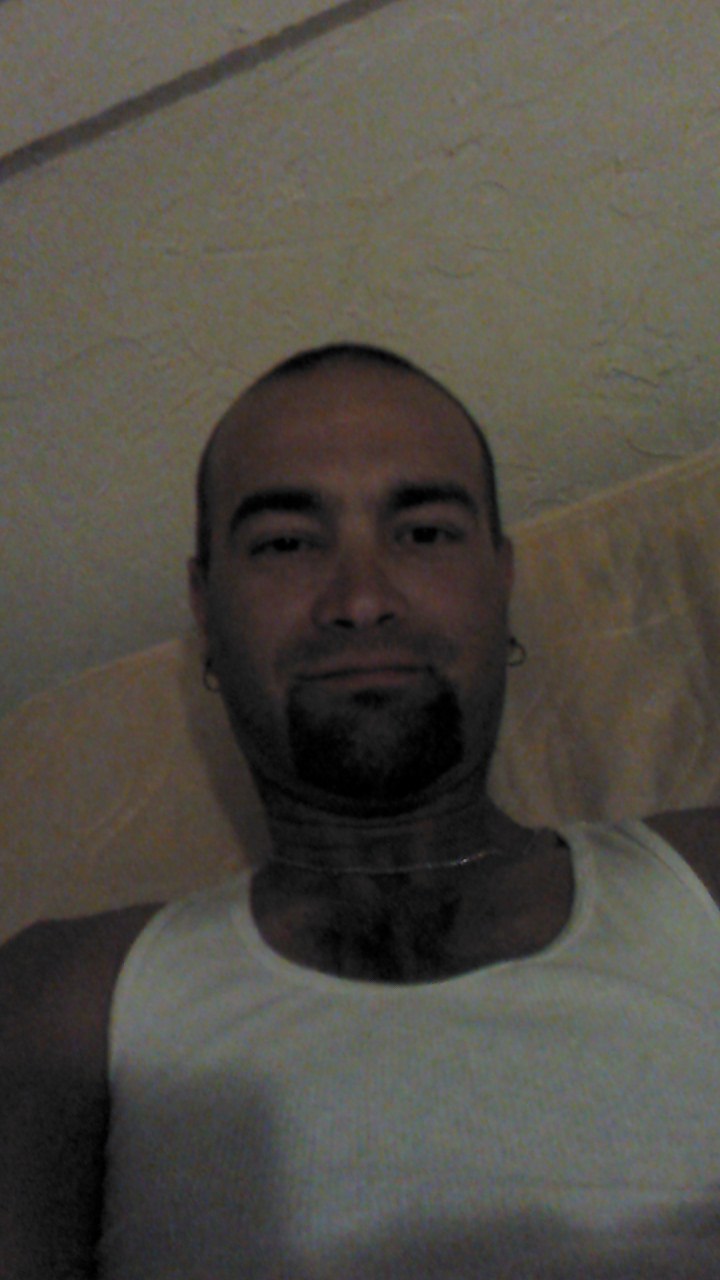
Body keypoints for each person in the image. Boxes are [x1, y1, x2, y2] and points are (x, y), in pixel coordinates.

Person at [2, 342, 720, 1278]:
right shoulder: (62, 1005)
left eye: (423, 532)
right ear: (205, 609)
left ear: (502, 580)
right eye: (285, 544)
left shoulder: (703, 886)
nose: (363, 599)